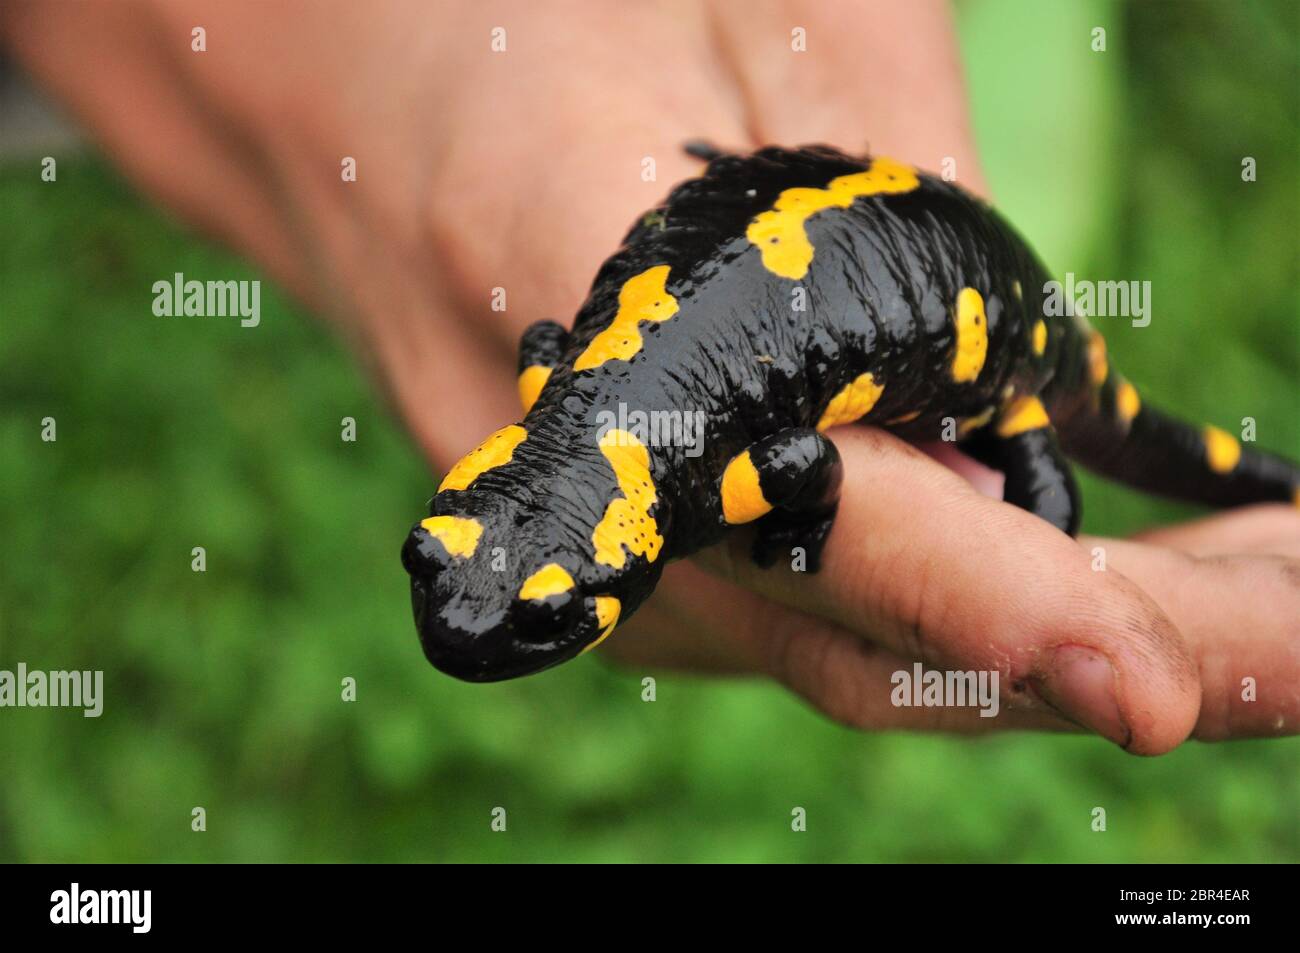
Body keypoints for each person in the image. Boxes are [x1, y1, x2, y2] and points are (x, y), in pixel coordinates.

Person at [4, 0, 1296, 754]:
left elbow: (796, 465)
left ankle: (1059, 497)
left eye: (535, 607)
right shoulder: (579, 407)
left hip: (987, 324)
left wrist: (797, 541)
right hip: (834, 219)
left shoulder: (684, 464)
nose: (470, 616)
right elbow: (600, 377)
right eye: (533, 604)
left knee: (1047, 445)